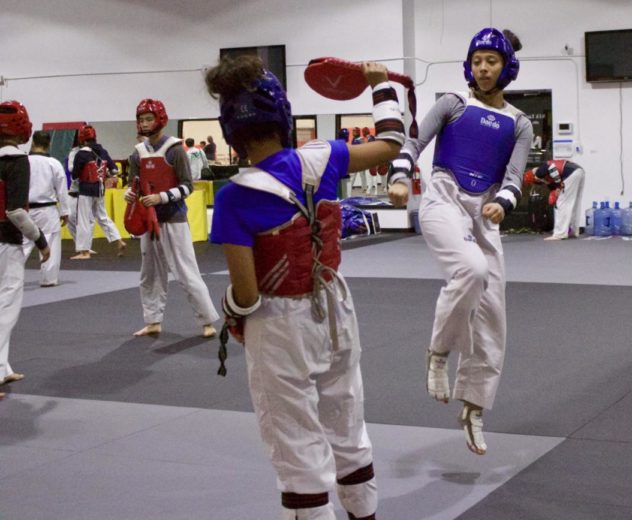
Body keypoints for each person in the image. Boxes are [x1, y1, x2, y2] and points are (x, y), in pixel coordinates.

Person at [206, 55, 403, 520]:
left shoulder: (234, 197)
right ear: (282, 116)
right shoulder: (326, 156)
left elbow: (248, 294)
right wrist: (380, 85)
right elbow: (393, 142)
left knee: (295, 444)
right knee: (348, 425)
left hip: (279, 325)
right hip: (336, 306)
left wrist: (230, 310)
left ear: (231, 130)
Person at [387, 28, 532, 455]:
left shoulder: (519, 123)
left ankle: (473, 407)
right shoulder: (451, 104)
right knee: (471, 270)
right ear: (468, 65)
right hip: (443, 202)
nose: (483, 68)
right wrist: (399, 177)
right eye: (477, 60)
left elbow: (514, 177)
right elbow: (414, 141)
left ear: (507, 67)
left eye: (492, 61)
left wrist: (503, 204)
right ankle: (437, 353)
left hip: (485, 213)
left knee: (492, 315)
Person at [125, 99, 219, 338]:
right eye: (141, 119)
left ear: (160, 119)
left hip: (174, 218)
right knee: (149, 274)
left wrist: (161, 198)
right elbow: (133, 184)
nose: (145, 124)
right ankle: (152, 320)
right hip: (149, 221)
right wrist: (131, 193)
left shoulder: (176, 149)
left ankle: (207, 320)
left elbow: (188, 187)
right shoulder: (137, 153)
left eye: (149, 119)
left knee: (187, 272)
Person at [0, 101, 50, 388]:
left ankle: (4, 366)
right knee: (7, 307)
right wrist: (41, 240)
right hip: (6, 241)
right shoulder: (17, 161)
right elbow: (16, 211)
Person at [70, 125, 127, 259]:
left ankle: (84, 251)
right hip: (100, 189)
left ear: (82, 139)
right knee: (103, 217)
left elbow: (75, 175)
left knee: (83, 219)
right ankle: (119, 240)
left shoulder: (82, 153)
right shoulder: (103, 151)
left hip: (86, 189)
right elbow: (114, 170)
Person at [23, 131, 70, 286]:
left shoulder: (23, 162)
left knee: (22, 244)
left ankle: (7, 276)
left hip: (24, 210)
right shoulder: (54, 163)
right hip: (47, 210)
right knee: (50, 241)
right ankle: (48, 279)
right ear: (49, 144)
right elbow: (61, 190)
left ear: (33, 142)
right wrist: (65, 211)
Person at [524, 159, 585, 240]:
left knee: (562, 203)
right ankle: (574, 231)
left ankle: (560, 234)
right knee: (575, 203)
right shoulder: (547, 179)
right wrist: (556, 192)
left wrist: (559, 185)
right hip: (579, 171)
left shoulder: (539, 172)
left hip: (570, 173)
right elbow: (553, 188)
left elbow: (552, 168)